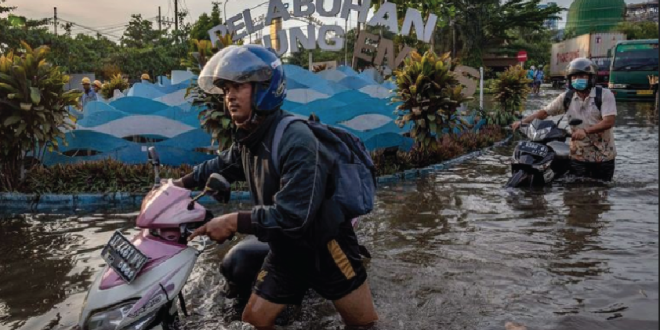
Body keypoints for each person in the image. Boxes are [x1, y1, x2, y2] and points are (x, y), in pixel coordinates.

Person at [172, 44, 378, 330]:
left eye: (239, 87)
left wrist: (234, 221)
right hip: (287, 250)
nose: (229, 96)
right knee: (254, 322)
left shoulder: (297, 139)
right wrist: (176, 185)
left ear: (265, 89)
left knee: (364, 325)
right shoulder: (251, 138)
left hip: (327, 248)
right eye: (226, 89)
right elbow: (222, 165)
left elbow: (294, 216)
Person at [512, 57, 617, 181]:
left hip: (603, 156)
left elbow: (609, 121)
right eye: (574, 77)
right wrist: (523, 122)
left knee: (601, 191)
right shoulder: (567, 97)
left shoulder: (604, 95)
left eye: (582, 76)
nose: (578, 80)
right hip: (578, 156)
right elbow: (545, 112)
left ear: (591, 78)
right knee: (573, 195)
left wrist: (585, 131)